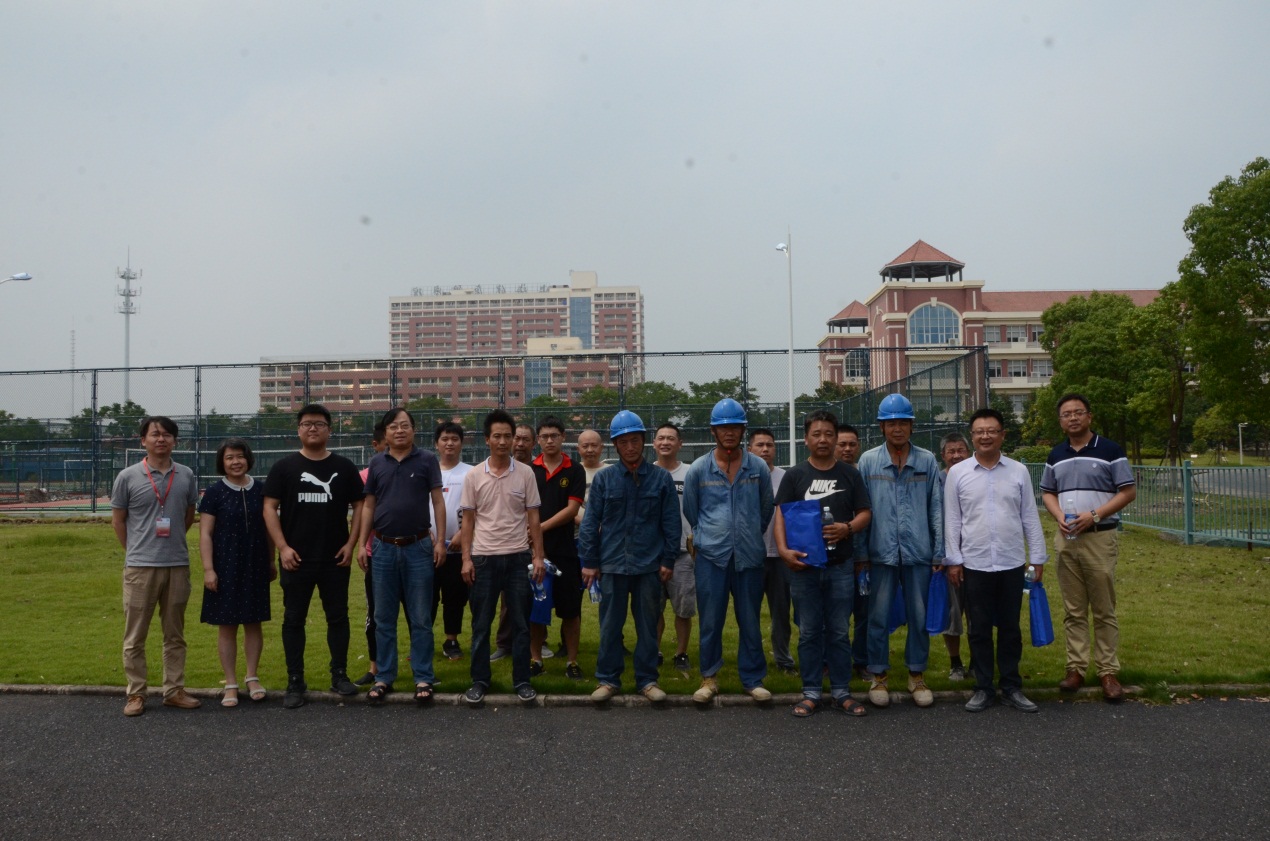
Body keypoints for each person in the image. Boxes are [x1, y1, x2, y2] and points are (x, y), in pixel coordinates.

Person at [263, 404, 365, 709]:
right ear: (298, 430)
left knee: (338, 617)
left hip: (335, 558)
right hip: (296, 559)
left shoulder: (344, 467)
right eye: (306, 423)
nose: (312, 428)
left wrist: (351, 544)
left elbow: (360, 505)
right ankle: (295, 680)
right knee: (293, 619)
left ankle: (339, 674)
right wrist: (282, 547)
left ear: (329, 430)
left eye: (319, 424)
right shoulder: (284, 467)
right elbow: (269, 507)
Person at [944, 409, 1046, 713]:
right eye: (979, 431)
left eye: (992, 431)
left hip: (1011, 562)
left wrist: (1037, 558)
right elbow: (952, 519)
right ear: (972, 436)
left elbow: (1029, 516)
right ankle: (984, 687)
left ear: (1002, 435)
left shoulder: (1018, 471)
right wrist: (953, 560)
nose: (985, 436)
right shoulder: (958, 473)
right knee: (978, 628)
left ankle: (1011, 686)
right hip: (973, 564)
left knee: (1010, 628)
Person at [1039, 393, 1137, 702]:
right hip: (1067, 538)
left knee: (1104, 608)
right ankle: (1076, 669)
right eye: (1066, 414)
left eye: (1078, 412)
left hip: (1099, 536)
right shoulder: (1056, 454)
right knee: (1074, 609)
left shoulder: (1110, 450)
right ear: (1060, 421)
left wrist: (1094, 515)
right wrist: (1059, 516)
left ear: (1089, 416)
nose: (1072, 418)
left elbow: (1128, 491)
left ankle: (1108, 672)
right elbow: (1047, 492)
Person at [774, 410, 872, 717]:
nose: (823, 439)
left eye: (829, 434)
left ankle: (842, 691)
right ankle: (811, 692)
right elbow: (780, 515)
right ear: (806, 439)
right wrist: (783, 551)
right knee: (809, 631)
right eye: (816, 434)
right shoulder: (795, 475)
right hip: (804, 568)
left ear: (835, 438)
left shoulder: (850, 475)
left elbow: (865, 512)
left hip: (840, 565)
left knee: (840, 631)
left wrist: (847, 528)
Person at [580, 411, 681, 704]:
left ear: (643, 441)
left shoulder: (661, 479)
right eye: (623, 442)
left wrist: (668, 560)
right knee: (610, 626)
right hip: (611, 565)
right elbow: (590, 523)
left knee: (648, 626)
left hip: (649, 566)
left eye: (635, 440)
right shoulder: (604, 479)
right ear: (615, 445)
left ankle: (647, 680)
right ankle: (608, 680)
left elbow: (671, 523)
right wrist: (590, 562)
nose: (630, 447)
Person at [683, 398, 775, 704]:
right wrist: (710, 537)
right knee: (710, 620)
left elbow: (766, 509)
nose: (730, 432)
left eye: (735, 427)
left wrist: (747, 534)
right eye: (723, 428)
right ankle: (709, 678)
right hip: (711, 557)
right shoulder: (700, 469)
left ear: (743, 430)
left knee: (750, 619)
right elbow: (692, 512)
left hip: (749, 556)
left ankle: (753, 679)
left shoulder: (757, 467)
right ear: (713, 431)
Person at [857, 393, 944, 709]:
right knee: (877, 617)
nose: (897, 428)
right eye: (891, 423)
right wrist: (861, 555)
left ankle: (916, 675)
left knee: (919, 616)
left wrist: (938, 552)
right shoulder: (868, 461)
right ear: (881, 426)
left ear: (912, 426)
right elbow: (861, 510)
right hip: (880, 554)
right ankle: (878, 675)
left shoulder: (926, 460)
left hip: (919, 552)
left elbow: (936, 507)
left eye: (903, 423)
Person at [112, 416, 201, 716]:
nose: (160, 439)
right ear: (143, 441)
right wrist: (136, 550)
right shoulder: (128, 476)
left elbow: (188, 515)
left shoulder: (186, 475)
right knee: (135, 636)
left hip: (177, 564)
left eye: (166, 434)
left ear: (175, 441)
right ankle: (136, 694)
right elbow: (118, 521)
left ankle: (174, 691)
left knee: (175, 634)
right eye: (154, 434)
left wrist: (170, 543)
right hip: (140, 567)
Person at [356, 408, 446, 704]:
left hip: (418, 548)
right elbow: (369, 506)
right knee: (383, 618)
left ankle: (423, 677)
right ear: (386, 433)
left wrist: (440, 542)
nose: (399, 430)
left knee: (420, 618)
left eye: (405, 425)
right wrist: (362, 544)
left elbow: (438, 501)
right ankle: (384, 676)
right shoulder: (377, 463)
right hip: (382, 548)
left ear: (413, 430)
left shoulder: (427, 460)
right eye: (394, 426)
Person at [460, 409, 546, 706]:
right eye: (496, 436)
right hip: (483, 559)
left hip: (518, 558)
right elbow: (468, 521)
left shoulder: (525, 474)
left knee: (521, 624)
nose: (502, 441)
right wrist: (466, 559)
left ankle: (522, 681)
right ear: (487, 439)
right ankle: (479, 680)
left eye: (507, 436)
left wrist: (538, 557)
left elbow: (534, 518)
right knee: (481, 625)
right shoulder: (474, 475)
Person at [199, 438, 276, 708]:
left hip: (255, 564)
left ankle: (252, 677)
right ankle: (230, 683)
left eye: (240, 456)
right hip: (225, 566)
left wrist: (271, 561)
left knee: (253, 622)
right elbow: (205, 534)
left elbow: (269, 529)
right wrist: (209, 569)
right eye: (229, 457)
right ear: (222, 462)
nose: (235, 462)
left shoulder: (262, 490)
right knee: (227, 625)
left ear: (248, 459)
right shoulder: (214, 492)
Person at [528, 417, 586, 680]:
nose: (549, 440)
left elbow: (572, 510)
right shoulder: (529, 470)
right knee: (536, 609)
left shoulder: (575, 470)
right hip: (534, 552)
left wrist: (539, 527)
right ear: (538, 440)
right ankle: (536, 659)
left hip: (565, 550)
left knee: (570, 610)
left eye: (554, 435)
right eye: (544, 436)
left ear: (563, 437)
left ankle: (572, 661)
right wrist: (534, 536)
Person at [494, 421, 547, 660]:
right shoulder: (500, 468)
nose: (520, 444)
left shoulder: (538, 471)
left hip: (536, 539)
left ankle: (538, 642)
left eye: (526, 439)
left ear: (533, 443)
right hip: (507, 541)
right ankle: (505, 643)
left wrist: (535, 535)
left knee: (537, 593)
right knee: (508, 596)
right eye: (517, 438)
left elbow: (538, 507)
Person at [749, 427, 795, 676]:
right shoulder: (744, 476)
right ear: (750, 449)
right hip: (752, 556)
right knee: (749, 613)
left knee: (781, 612)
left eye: (770, 445)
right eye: (760, 445)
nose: (765, 449)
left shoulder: (786, 477)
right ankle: (752, 660)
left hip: (780, 556)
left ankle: (783, 659)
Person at [653, 422, 695, 671]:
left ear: (680, 444)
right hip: (653, 554)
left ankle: (681, 653)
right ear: (654, 443)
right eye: (661, 438)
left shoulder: (691, 473)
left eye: (671, 438)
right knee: (653, 608)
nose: (666, 442)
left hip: (683, 553)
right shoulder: (647, 472)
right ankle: (654, 651)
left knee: (683, 608)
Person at [430, 421, 472, 661]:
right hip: (428, 548)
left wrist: (462, 534)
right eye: (445, 439)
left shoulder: (470, 473)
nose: (449, 443)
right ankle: (423, 641)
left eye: (454, 439)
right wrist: (426, 532)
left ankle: (451, 640)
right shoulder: (428, 471)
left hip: (458, 548)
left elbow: (477, 509)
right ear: (436, 444)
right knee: (426, 598)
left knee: (454, 597)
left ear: (461, 443)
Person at [354, 423, 389, 686]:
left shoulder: (410, 469)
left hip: (409, 551)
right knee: (376, 614)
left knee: (416, 615)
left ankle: (421, 669)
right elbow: (361, 513)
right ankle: (375, 667)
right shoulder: (364, 477)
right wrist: (360, 546)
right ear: (375, 446)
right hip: (376, 553)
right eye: (385, 446)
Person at [938, 432, 972, 682]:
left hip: (976, 556)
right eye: (951, 451)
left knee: (978, 613)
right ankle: (955, 663)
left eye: (961, 450)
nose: (956, 455)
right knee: (951, 613)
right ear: (943, 455)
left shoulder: (976, 476)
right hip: (947, 559)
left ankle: (978, 662)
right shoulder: (937, 480)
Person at [837, 422, 868, 679]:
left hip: (863, 557)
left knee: (864, 611)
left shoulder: (863, 475)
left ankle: (862, 661)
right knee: (834, 615)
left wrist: (865, 556)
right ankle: (832, 661)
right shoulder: (821, 475)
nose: (847, 449)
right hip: (833, 558)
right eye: (842, 444)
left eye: (852, 444)